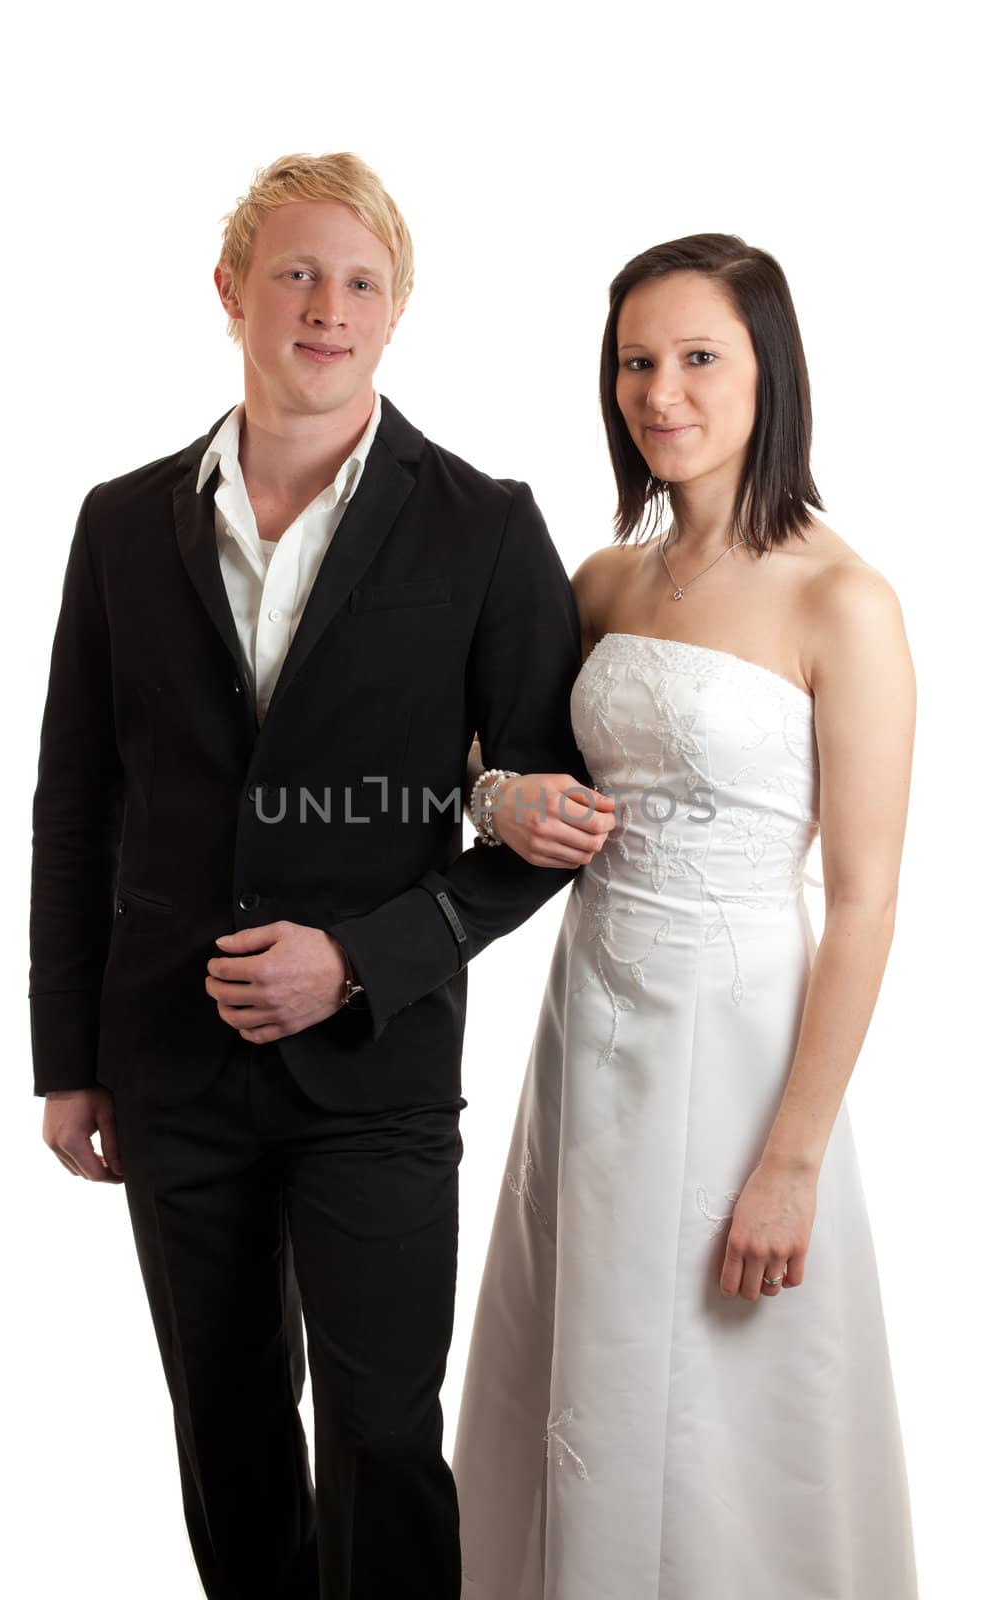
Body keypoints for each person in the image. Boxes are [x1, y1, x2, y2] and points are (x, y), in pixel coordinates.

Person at [29, 151, 593, 1600]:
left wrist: (358, 959)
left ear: (396, 314)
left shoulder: (485, 526)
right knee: (222, 1432)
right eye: (296, 272)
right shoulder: (118, 521)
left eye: (360, 282)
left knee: (384, 1436)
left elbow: (543, 831)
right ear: (231, 293)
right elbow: (76, 805)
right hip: (166, 1067)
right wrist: (68, 1059)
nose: (326, 307)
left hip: (377, 1073)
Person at [452, 235, 918, 1598]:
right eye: (635, 363)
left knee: (724, 1391)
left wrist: (793, 1159)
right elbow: (481, 768)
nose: (661, 393)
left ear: (770, 372)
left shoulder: (845, 600)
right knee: (577, 1359)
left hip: (740, 1040)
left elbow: (870, 898)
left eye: (699, 357)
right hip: (590, 1028)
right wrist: (500, 799)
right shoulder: (602, 584)